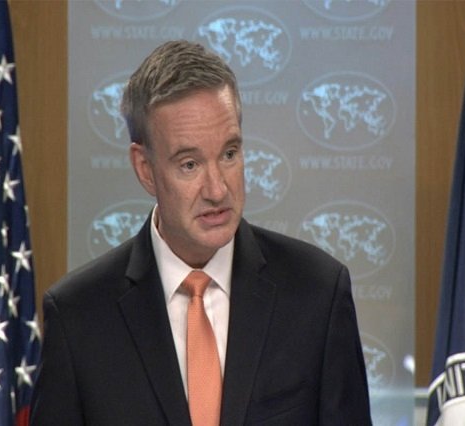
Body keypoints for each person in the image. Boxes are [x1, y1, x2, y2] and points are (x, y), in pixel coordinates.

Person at [30, 40, 372, 425]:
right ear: (145, 168)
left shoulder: (318, 293)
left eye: (229, 154)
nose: (217, 189)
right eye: (189, 164)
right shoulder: (78, 317)